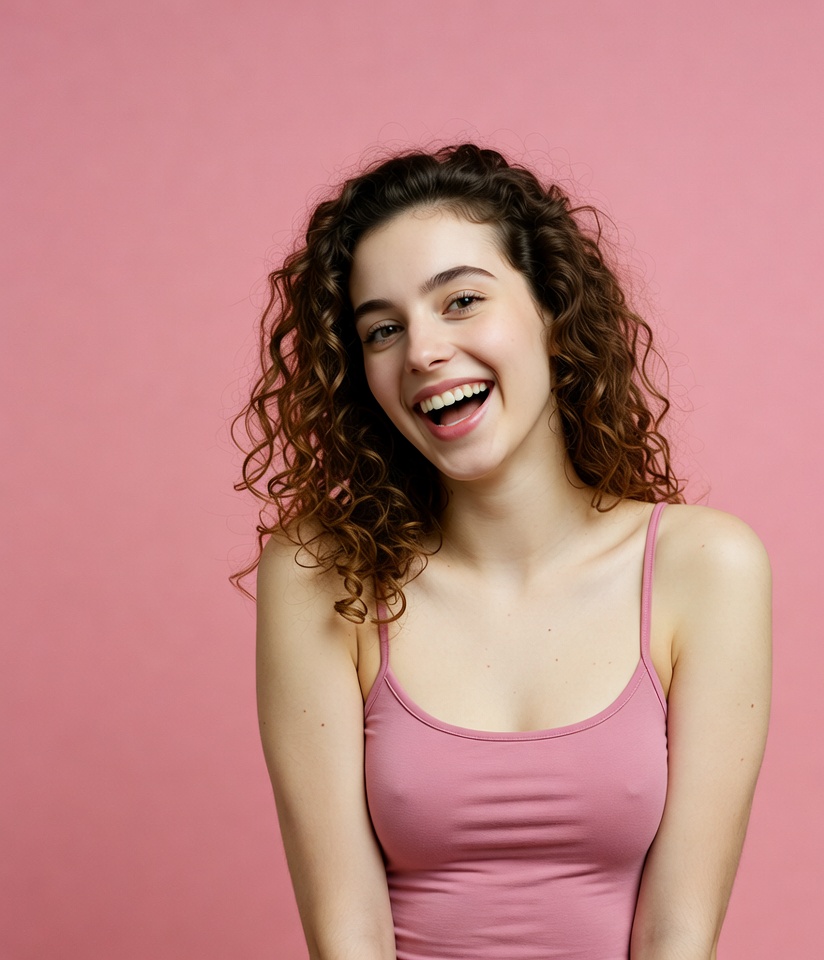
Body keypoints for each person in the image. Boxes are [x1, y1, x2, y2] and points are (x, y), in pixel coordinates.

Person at [236, 143, 771, 960]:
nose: (421, 351)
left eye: (460, 301)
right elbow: (347, 933)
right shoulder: (322, 573)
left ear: (551, 308)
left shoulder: (706, 569)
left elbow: (678, 936)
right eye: (384, 329)